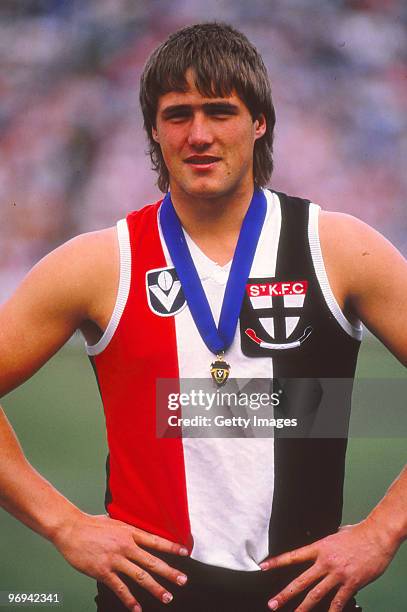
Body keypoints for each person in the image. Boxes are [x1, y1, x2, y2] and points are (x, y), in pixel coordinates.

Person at [0, 22, 406, 612]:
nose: (199, 135)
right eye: (177, 114)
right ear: (153, 130)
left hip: (307, 596)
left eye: (221, 111)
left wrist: (382, 531)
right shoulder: (96, 263)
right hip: (149, 596)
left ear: (259, 122)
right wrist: (64, 525)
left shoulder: (340, 248)